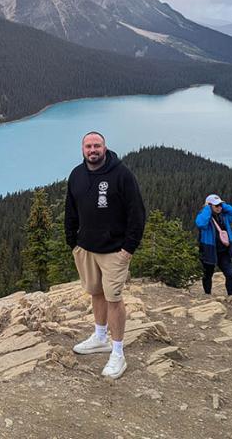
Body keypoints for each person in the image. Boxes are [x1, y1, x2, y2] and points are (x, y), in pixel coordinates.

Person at [65, 132, 146, 379]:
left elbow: (137, 213)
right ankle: (100, 338)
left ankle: (118, 352)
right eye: (88, 146)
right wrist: (73, 242)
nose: (93, 150)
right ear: (82, 149)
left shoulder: (121, 174)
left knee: (114, 299)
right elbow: (71, 209)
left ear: (105, 147)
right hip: (86, 249)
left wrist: (128, 249)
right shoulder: (77, 174)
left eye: (97, 146)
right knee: (96, 293)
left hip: (114, 251)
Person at [195, 194, 232, 298]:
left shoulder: (224, 216)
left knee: (230, 274)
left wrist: (224, 206)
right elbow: (201, 224)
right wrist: (207, 208)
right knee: (208, 274)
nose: (219, 207)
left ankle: (231, 296)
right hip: (209, 249)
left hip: (223, 251)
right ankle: (207, 294)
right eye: (216, 205)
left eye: (220, 205)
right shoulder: (204, 216)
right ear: (209, 205)